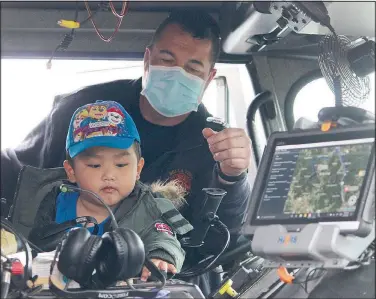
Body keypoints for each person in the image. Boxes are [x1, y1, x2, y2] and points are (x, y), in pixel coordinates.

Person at [1, 10, 252, 295]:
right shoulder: (83, 110)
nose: (177, 74)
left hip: (158, 284)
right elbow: (18, 172)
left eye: (193, 69)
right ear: (147, 60)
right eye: (167, 61)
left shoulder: (215, 145)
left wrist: (233, 177)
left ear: (209, 78)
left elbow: (221, 239)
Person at [28, 100, 193, 282]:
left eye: (121, 164)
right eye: (95, 165)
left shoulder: (148, 208)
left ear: (138, 169)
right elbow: (31, 243)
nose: (109, 175)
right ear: (71, 171)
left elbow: (163, 238)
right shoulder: (51, 202)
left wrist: (161, 257)